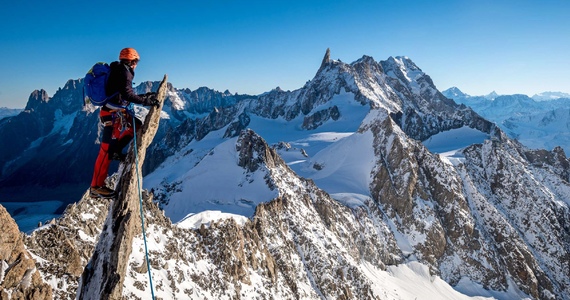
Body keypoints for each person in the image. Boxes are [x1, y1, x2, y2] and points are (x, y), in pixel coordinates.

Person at [90, 47, 159, 198]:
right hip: (111, 115)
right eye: (136, 62)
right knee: (105, 151)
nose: (137, 65)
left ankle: (116, 151)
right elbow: (127, 94)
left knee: (137, 126)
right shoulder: (124, 72)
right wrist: (146, 101)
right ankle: (96, 187)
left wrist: (143, 97)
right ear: (133, 61)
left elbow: (122, 94)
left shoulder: (119, 70)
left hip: (117, 112)